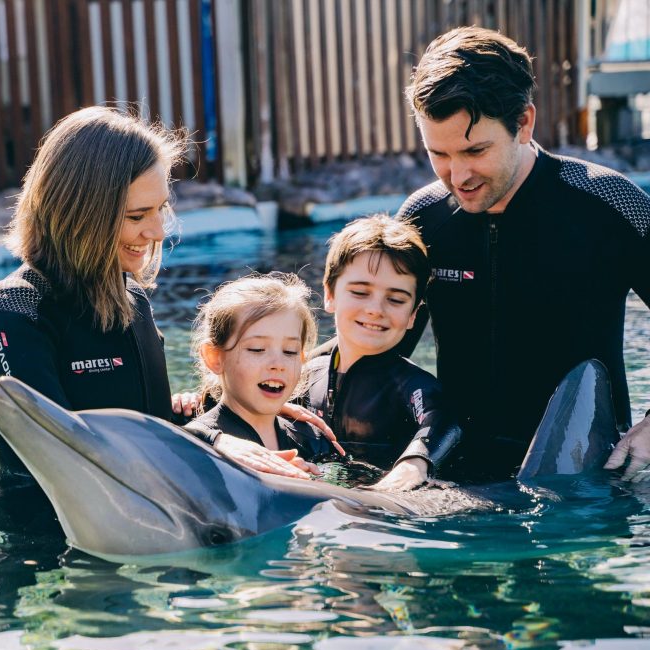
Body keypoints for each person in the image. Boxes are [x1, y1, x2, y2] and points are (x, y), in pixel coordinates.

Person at [0, 106, 325, 514]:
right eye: (137, 215)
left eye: (160, 210)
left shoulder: (129, 298)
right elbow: (60, 443)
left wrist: (241, 407)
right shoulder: (14, 309)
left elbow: (145, 418)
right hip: (42, 538)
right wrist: (210, 441)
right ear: (81, 212)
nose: (156, 231)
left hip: (142, 518)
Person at [398, 26, 650, 481]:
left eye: (476, 150)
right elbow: (376, 346)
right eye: (439, 153)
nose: (457, 175)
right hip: (458, 482)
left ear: (524, 123)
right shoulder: (423, 218)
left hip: (584, 485)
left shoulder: (610, 204)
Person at [303, 216, 460, 491]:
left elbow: (443, 420)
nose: (376, 309)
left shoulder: (412, 386)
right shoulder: (305, 375)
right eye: (360, 292)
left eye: (396, 299)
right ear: (329, 295)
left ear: (413, 315)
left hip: (389, 510)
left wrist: (414, 465)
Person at [184, 273, 327, 469]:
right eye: (257, 349)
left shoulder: (313, 440)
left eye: (289, 351)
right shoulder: (194, 444)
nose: (278, 363)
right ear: (214, 357)